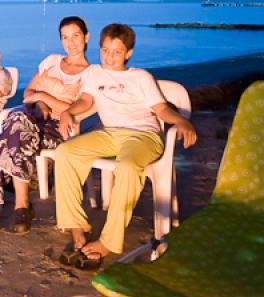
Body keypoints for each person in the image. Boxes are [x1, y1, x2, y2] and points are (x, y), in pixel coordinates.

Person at [55, 23, 197, 269]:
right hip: (110, 134)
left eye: (117, 52)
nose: (110, 57)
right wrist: (68, 111)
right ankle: (76, 226)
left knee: (128, 165)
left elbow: (162, 110)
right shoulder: (94, 73)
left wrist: (182, 120)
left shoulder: (141, 77)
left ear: (128, 53)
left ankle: (109, 241)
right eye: (105, 50)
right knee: (65, 152)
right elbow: (85, 100)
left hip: (143, 136)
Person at [0, 17, 90, 234]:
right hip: (30, 115)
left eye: (76, 36)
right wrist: (40, 101)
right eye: (65, 37)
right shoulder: (52, 61)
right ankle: (21, 205)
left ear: (86, 37)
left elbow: (75, 107)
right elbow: (27, 94)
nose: (70, 42)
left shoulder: (91, 73)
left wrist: (42, 95)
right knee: (17, 119)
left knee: (12, 128)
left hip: (56, 127)